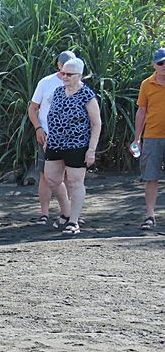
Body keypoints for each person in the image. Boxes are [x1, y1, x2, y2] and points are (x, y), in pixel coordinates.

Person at [44, 57, 102, 236]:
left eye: (69, 74)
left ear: (80, 75)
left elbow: (96, 123)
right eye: (63, 74)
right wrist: (48, 137)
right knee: (52, 179)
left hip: (77, 144)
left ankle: (74, 221)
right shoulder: (58, 91)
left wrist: (91, 149)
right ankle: (66, 211)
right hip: (55, 143)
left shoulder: (87, 95)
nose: (65, 77)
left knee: (75, 182)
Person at [27, 50, 75, 227]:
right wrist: (38, 128)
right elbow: (33, 108)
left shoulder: (77, 83)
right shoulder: (46, 83)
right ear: (59, 65)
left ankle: (70, 213)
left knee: (71, 175)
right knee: (46, 175)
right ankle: (44, 214)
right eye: (65, 66)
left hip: (71, 137)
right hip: (48, 135)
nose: (67, 71)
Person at [132, 47, 165, 231]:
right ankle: (150, 215)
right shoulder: (147, 84)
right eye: (160, 62)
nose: (164, 66)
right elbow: (142, 111)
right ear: (154, 64)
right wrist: (137, 139)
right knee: (151, 177)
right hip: (152, 137)